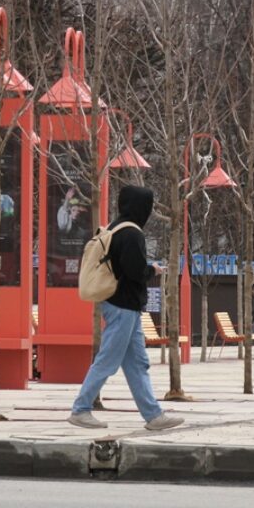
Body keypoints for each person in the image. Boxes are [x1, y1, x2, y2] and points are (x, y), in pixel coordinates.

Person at [69, 185, 184, 432]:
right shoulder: (132, 234)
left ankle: (153, 416)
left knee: (137, 363)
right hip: (124, 306)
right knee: (108, 359)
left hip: (119, 304)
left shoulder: (114, 227)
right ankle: (81, 408)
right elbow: (135, 272)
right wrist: (152, 269)